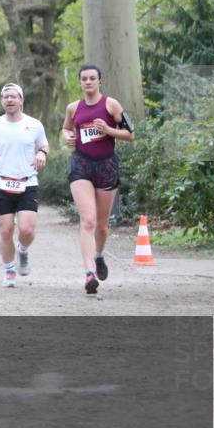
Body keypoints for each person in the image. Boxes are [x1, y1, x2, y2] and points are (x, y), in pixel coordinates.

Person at [62, 64, 134, 294]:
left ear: (100, 81)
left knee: (101, 225)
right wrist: (68, 137)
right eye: (84, 79)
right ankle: (89, 273)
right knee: (89, 220)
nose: (88, 82)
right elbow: (65, 129)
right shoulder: (73, 108)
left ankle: (99, 255)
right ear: (80, 82)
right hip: (81, 165)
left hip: (106, 167)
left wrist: (109, 131)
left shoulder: (111, 105)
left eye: (92, 78)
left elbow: (130, 135)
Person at [0, 83, 49, 288]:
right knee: (6, 231)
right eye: (5, 97)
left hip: (28, 182)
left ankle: (22, 251)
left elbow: (44, 145)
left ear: (21, 100)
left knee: (27, 230)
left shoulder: (34, 124)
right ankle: (8, 270)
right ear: (2, 101)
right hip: (2, 182)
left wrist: (42, 153)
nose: (9, 100)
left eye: (13, 97)